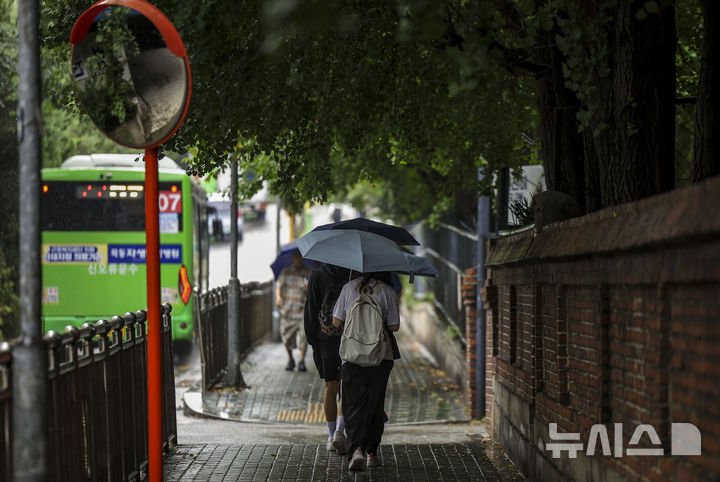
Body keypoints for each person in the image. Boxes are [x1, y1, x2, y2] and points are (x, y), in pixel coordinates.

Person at [332, 272, 401, 471]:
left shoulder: (348, 288)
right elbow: (394, 325)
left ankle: (357, 451)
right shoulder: (387, 290)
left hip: (351, 357)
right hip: (379, 357)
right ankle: (372, 453)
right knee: (375, 403)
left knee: (353, 405)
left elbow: (336, 321)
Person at [304, 263, 351, 453]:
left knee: (330, 386)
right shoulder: (352, 273)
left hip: (325, 340)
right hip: (350, 338)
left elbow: (310, 308)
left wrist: (312, 340)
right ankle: (341, 431)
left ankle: (331, 437)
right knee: (345, 386)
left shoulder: (317, 275)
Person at [276, 249, 312, 371]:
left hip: (302, 311)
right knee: (286, 337)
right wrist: (278, 297)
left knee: (304, 337)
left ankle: (302, 361)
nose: (298, 260)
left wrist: (308, 289)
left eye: (300, 257)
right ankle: (290, 359)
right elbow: (278, 286)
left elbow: (313, 291)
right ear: (292, 258)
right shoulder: (286, 271)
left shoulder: (308, 272)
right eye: (296, 257)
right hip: (288, 310)